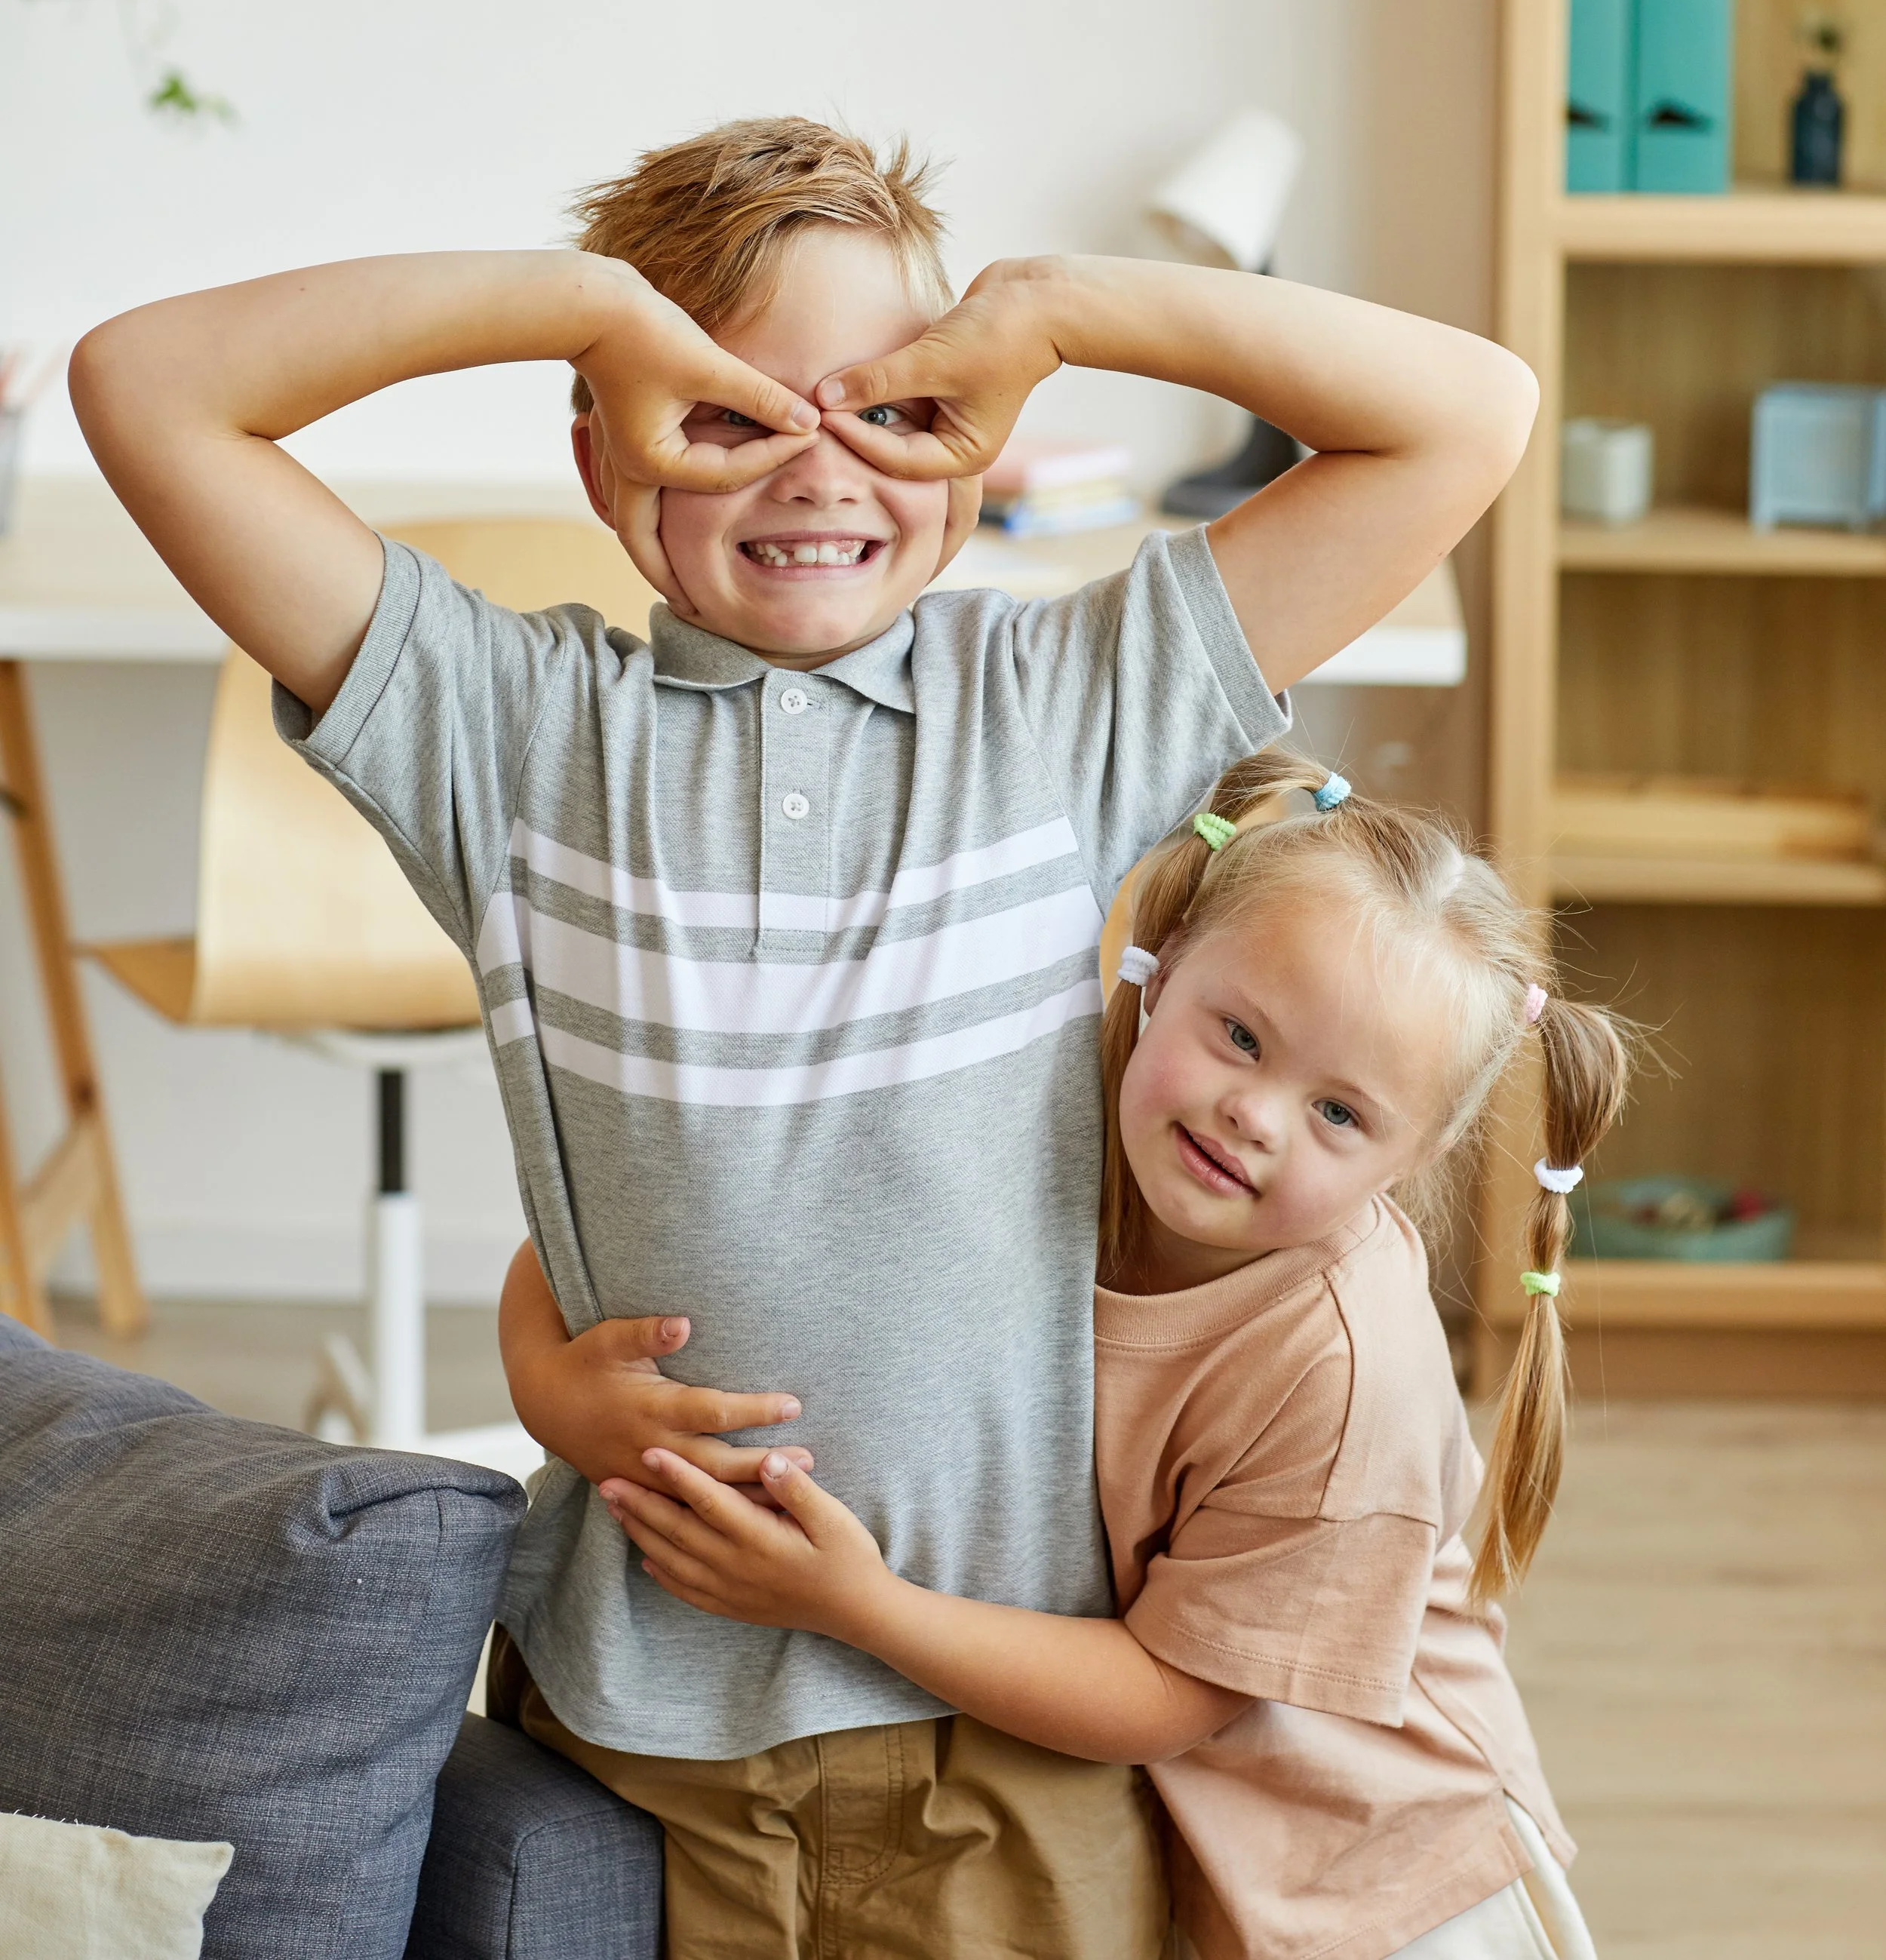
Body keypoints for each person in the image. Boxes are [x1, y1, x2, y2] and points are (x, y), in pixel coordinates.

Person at [69, 120, 1537, 1960]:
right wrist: (578, 310)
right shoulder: (503, 736)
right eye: (735, 413)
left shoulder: (1063, 704)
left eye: (886, 412)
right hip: (633, 1739)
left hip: (1007, 1744)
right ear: (606, 451)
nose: (814, 465)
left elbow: (1467, 412)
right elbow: (146, 389)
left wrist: (1055, 310)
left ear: (966, 438)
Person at [588, 743, 1623, 1960]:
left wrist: (860, 1605)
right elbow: (664, 1216)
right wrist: (557, 1385)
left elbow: (1168, 1695)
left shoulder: (1347, 1372)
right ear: (1158, 969)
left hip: (1385, 1888)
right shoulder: (1029, 1119)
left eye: (1339, 1113)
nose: (1256, 1112)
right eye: (1239, 1035)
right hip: (1183, 1847)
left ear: (1407, 1167)